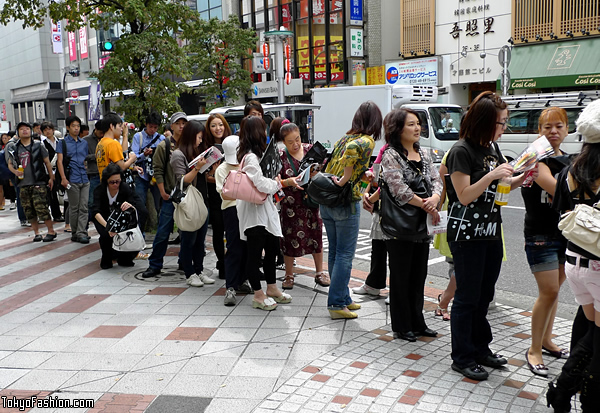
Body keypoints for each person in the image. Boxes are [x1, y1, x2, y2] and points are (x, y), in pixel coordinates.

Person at [445, 91, 527, 381]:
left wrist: (522, 177)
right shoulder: (461, 151)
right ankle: (462, 356)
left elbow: (501, 189)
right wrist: (491, 176)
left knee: (484, 294)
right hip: (467, 234)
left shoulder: (493, 148)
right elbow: (465, 196)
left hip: (491, 231)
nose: (504, 128)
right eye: (501, 123)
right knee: (467, 296)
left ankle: (481, 348)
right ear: (485, 121)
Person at [365, 109, 443, 341]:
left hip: (422, 223)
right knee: (400, 276)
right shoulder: (390, 155)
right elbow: (399, 190)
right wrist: (426, 204)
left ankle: (417, 321)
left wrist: (436, 199)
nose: (417, 128)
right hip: (399, 225)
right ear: (398, 129)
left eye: (418, 124)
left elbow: (437, 180)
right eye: (411, 124)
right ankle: (401, 325)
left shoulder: (424, 152)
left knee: (419, 275)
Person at [551, 99, 600, 411]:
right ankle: (581, 394)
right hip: (598, 267)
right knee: (598, 339)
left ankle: (564, 389)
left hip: (574, 264)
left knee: (593, 331)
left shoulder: (570, 171)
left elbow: (560, 213)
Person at [522, 107, 572, 377]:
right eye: (547, 127)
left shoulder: (570, 159)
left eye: (559, 126)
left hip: (567, 233)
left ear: (567, 129)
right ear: (539, 131)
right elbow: (558, 189)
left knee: (555, 290)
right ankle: (533, 350)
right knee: (549, 291)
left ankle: (547, 340)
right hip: (540, 234)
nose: (553, 132)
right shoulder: (536, 158)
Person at [321, 101, 382, 320]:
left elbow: (337, 163)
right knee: (345, 254)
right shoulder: (365, 141)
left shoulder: (345, 137)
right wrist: (345, 179)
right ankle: (337, 303)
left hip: (327, 201)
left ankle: (343, 297)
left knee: (335, 252)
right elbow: (352, 154)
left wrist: (359, 175)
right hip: (344, 202)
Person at [237, 116, 295, 311]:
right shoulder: (251, 157)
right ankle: (258, 295)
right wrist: (279, 183)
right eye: (262, 129)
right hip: (254, 212)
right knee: (254, 255)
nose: (265, 133)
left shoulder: (258, 154)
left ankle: (272, 288)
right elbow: (259, 183)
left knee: (272, 249)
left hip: (264, 209)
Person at [278, 122, 328, 289]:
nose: (296, 144)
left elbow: (325, 172)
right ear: (283, 142)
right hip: (291, 206)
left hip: (311, 203)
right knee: (289, 238)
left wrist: (316, 173)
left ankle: (319, 272)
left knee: (316, 237)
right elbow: (275, 182)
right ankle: (289, 275)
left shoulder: (311, 150)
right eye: (291, 141)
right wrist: (288, 182)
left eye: (297, 139)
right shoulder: (280, 156)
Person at [141, 112, 187, 279]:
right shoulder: (164, 145)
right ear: (171, 126)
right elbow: (158, 169)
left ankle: (185, 261)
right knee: (163, 232)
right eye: (178, 123)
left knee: (187, 232)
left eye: (184, 123)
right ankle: (155, 264)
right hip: (169, 194)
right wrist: (162, 191)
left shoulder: (190, 144)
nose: (181, 126)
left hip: (187, 196)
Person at [170, 120, 215, 287]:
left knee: (200, 240)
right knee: (189, 240)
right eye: (198, 137)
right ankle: (189, 273)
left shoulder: (197, 152)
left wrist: (209, 167)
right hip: (188, 203)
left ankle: (199, 270)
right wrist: (197, 168)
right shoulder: (178, 155)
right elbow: (182, 181)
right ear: (191, 136)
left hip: (202, 200)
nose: (200, 141)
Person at [215, 135, 253, 305]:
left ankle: (243, 280)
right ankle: (230, 286)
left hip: (248, 208)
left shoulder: (248, 163)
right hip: (231, 210)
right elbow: (223, 192)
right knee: (233, 246)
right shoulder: (221, 169)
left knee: (248, 246)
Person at [5, 122, 57, 242]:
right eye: (21, 129)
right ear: (18, 132)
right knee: (29, 210)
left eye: (27, 129)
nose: (25, 131)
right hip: (23, 183)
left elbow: (47, 162)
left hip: (38, 181)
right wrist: (15, 172)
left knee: (42, 208)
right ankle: (37, 233)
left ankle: (51, 231)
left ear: (31, 131)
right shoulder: (14, 147)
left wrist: (51, 177)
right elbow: (9, 164)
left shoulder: (38, 145)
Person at [91, 163, 147, 269]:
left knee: (127, 233)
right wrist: (108, 227)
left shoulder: (124, 188)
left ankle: (125, 257)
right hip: (103, 218)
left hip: (121, 217)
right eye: (112, 182)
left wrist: (130, 205)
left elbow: (135, 205)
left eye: (118, 181)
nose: (115, 185)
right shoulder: (99, 190)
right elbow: (95, 212)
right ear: (106, 181)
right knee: (106, 237)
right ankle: (107, 257)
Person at [355, 143, 389, 298]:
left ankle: (397, 291)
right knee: (378, 248)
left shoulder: (407, 150)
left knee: (396, 252)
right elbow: (373, 173)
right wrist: (365, 193)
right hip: (380, 208)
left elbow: (392, 181)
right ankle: (373, 284)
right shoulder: (385, 148)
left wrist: (371, 199)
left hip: (396, 208)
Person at [204, 113, 232, 279]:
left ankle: (231, 262)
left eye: (220, 125)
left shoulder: (232, 144)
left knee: (231, 231)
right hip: (215, 194)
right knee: (218, 230)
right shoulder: (207, 148)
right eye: (213, 125)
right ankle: (221, 263)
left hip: (232, 194)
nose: (218, 128)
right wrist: (216, 174)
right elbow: (205, 175)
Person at [57, 115, 91, 244]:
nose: (76, 129)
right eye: (73, 126)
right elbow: (60, 162)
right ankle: (75, 232)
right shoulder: (63, 143)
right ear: (68, 127)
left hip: (84, 177)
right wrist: (64, 178)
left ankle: (82, 232)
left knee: (84, 207)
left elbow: (86, 159)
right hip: (72, 178)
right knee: (74, 207)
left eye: (78, 126)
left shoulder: (84, 143)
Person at [131, 112, 164, 214]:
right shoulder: (138, 137)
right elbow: (133, 157)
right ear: (146, 124)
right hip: (142, 175)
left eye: (155, 127)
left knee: (160, 204)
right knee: (140, 204)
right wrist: (144, 155)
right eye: (150, 127)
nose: (153, 130)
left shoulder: (161, 138)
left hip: (156, 175)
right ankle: (141, 228)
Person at [95, 112, 138, 178]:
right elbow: (122, 167)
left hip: (105, 182)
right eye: (119, 126)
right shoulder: (113, 144)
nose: (121, 129)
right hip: (115, 184)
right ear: (111, 126)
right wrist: (132, 159)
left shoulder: (100, 143)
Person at [40, 122, 63, 222]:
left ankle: (66, 214)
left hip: (61, 170)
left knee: (63, 192)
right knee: (52, 194)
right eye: (45, 130)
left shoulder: (60, 142)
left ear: (53, 130)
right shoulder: (42, 144)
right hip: (49, 171)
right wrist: (49, 174)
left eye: (49, 129)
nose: (48, 131)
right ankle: (56, 214)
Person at [84, 122, 104, 220]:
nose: (102, 134)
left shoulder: (107, 139)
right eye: (100, 132)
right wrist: (96, 156)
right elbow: (83, 156)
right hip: (93, 173)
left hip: (105, 173)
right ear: (95, 129)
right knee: (91, 200)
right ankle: (90, 220)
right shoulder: (86, 140)